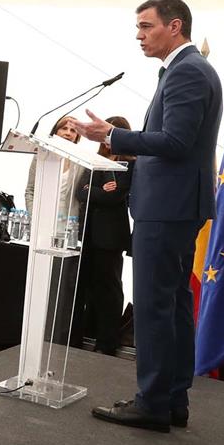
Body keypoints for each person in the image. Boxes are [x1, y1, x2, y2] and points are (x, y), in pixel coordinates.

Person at [73, 0, 222, 431]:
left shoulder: (188, 72)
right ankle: (172, 398)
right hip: (175, 203)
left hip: (168, 206)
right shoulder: (187, 70)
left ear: (174, 26)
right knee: (173, 303)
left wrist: (114, 135)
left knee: (156, 306)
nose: (139, 36)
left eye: (145, 26)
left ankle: (152, 402)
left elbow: (175, 142)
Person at [73, 116, 133, 356]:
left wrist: (93, 191)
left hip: (110, 236)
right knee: (87, 287)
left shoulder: (129, 163)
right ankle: (85, 333)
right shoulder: (96, 160)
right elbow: (80, 191)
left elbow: (114, 197)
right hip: (87, 233)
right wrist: (97, 190)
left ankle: (107, 342)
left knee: (108, 288)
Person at [26, 115, 79, 210]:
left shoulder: (80, 162)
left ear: (77, 137)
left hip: (68, 219)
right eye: (64, 128)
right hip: (42, 213)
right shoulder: (42, 155)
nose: (68, 133)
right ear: (56, 132)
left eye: (73, 130)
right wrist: (33, 216)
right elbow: (30, 190)